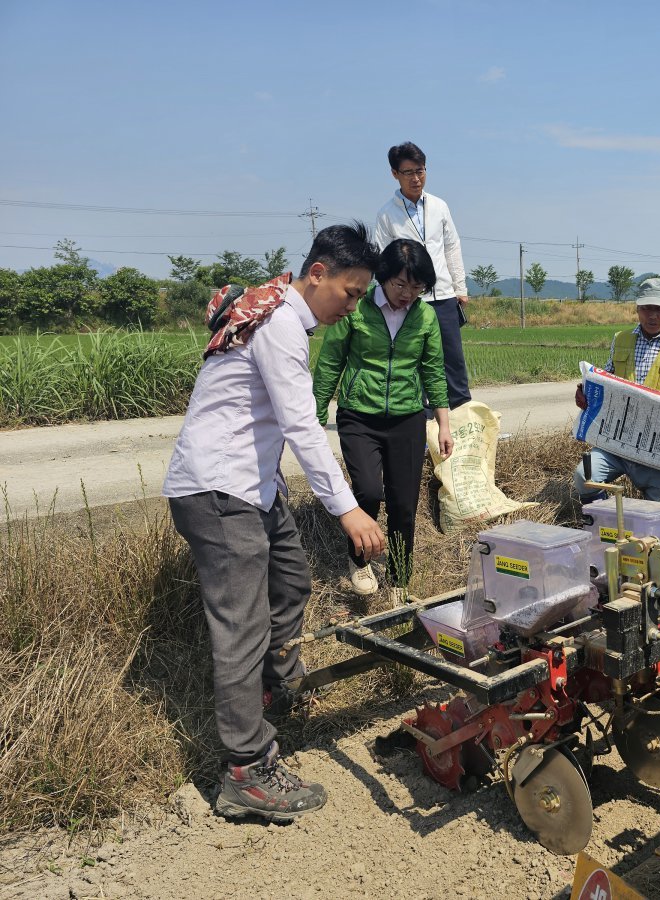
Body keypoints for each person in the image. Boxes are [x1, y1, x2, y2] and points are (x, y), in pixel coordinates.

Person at [164, 223, 388, 823]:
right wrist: (348, 510)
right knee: (241, 625)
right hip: (218, 489)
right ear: (317, 274)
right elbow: (301, 425)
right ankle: (246, 769)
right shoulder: (280, 324)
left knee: (290, 580)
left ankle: (271, 689)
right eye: (350, 291)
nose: (353, 305)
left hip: (253, 488)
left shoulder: (282, 316)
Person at [313, 239, 454, 602]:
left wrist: (443, 423)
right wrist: (314, 416)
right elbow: (330, 361)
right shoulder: (356, 309)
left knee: (404, 503)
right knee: (368, 492)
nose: (408, 293)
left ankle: (399, 578)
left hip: (408, 416)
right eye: (400, 284)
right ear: (383, 277)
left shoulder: (424, 316)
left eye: (417, 286)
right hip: (359, 415)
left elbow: (434, 370)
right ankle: (359, 561)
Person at [572, 277, 660, 503]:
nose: (652, 315)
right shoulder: (621, 339)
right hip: (615, 441)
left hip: (659, 448)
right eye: (646, 308)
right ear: (637, 308)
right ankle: (607, 522)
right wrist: (586, 392)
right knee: (584, 476)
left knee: (658, 516)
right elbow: (607, 378)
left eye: (659, 309)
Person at [373, 142, 471, 410]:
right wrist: (393, 297)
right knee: (416, 360)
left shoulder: (439, 206)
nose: (416, 178)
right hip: (411, 300)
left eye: (420, 171)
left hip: (444, 296)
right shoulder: (386, 215)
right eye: (408, 173)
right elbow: (382, 259)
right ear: (395, 174)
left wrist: (460, 287)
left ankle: (462, 414)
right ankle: (422, 419)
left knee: (453, 359)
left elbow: (452, 246)